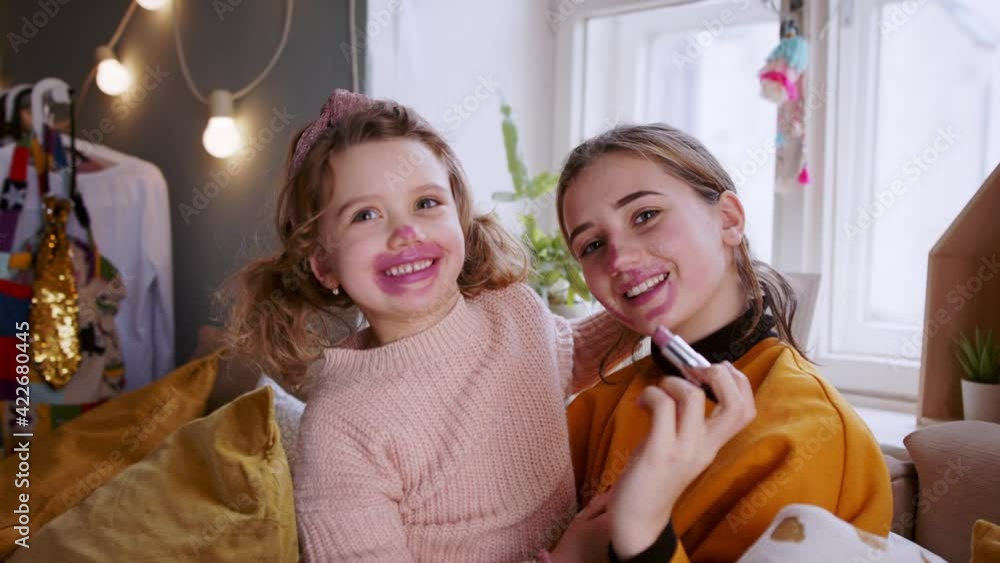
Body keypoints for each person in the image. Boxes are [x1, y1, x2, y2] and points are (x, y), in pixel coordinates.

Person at [557, 124, 893, 562]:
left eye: (645, 216)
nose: (619, 258)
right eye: (593, 244)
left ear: (729, 219)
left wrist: (641, 529)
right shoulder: (593, 409)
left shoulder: (813, 431)